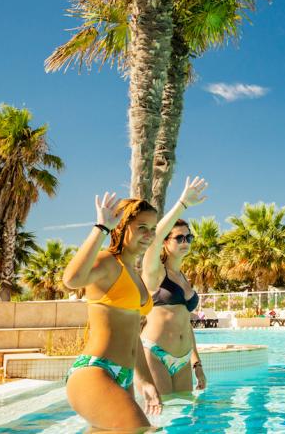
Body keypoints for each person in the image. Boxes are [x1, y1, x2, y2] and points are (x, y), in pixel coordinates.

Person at [61, 192, 160, 431]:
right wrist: (101, 227)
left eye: (153, 228)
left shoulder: (132, 271)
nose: (149, 235)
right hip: (96, 371)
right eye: (142, 227)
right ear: (121, 227)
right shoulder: (107, 261)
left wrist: (145, 380)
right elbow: (71, 280)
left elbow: (131, 335)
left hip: (122, 375)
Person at [140, 177, 209, 400]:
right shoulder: (156, 273)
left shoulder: (183, 277)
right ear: (166, 243)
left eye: (188, 237)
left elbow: (185, 323)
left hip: (183, 358)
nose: (185, 241)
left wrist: (196, 363)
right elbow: (154, 238)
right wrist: (183, 203)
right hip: (156, 354)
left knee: (182, 417)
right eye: (179, 238)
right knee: (162, 414)